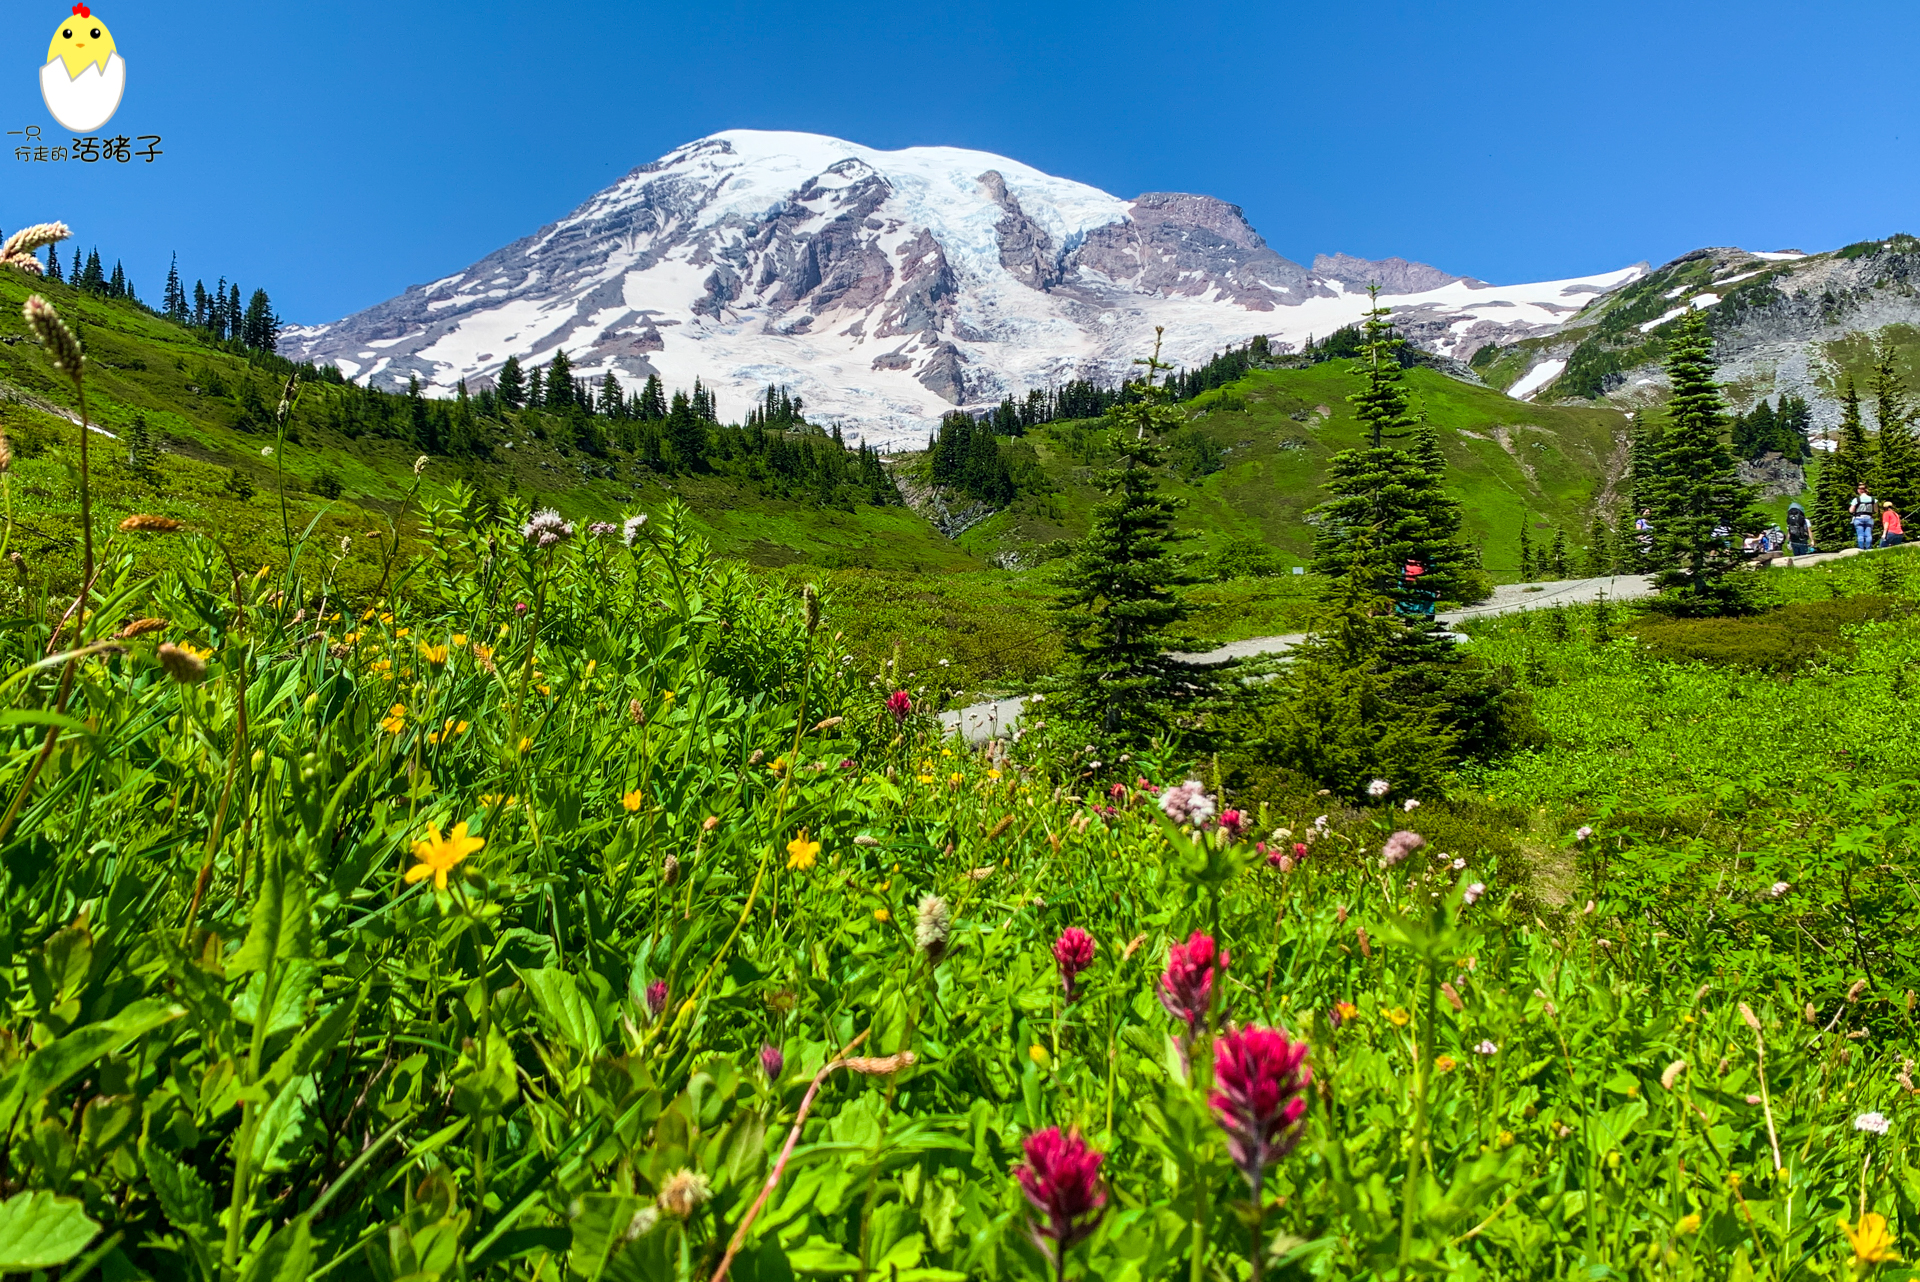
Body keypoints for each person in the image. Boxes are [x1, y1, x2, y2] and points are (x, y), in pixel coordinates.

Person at [1851, 484, 1877, 550]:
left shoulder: (1856, 499)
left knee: (1860, 535)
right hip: (1869, 518)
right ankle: (1869, 549)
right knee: (1868, 534)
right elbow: (1876, 510)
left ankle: (1861, 549)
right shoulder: (1873, 499)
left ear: (1859, 490)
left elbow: (1851, 510)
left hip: (1859, 518)